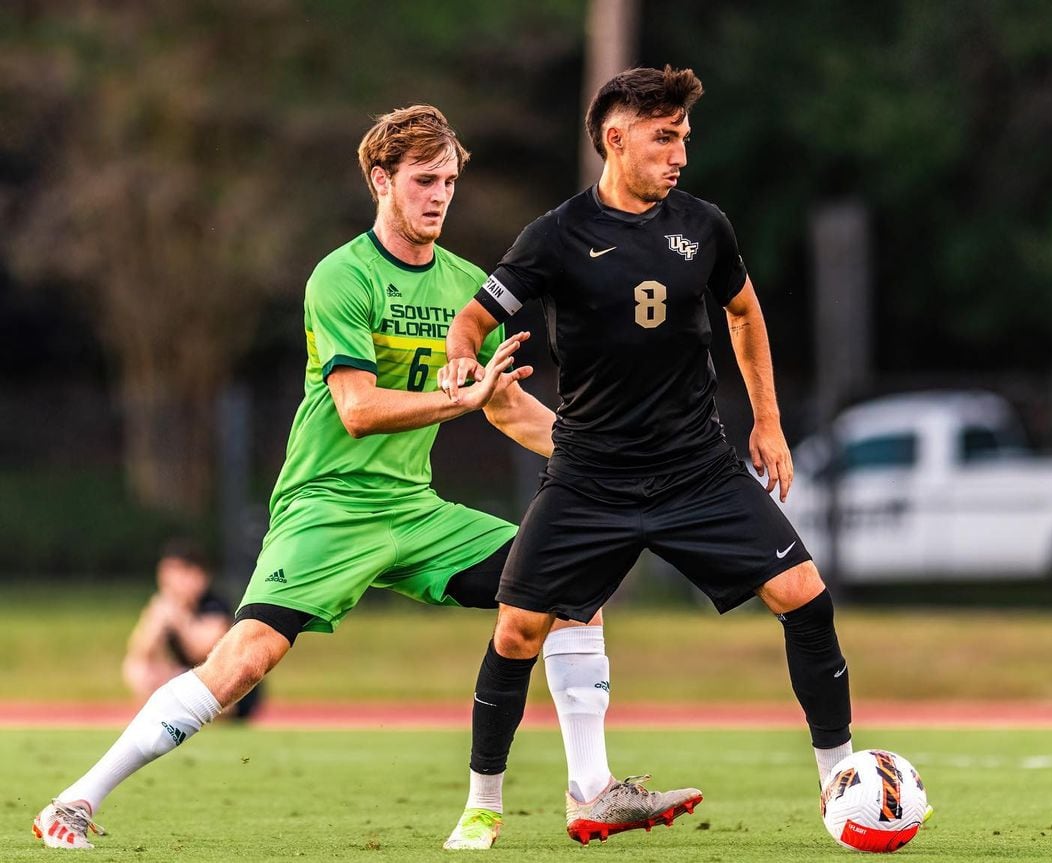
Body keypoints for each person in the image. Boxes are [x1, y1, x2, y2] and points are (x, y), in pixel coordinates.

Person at [32, 105, 693, 852]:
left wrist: (624, 459)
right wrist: (458, 397)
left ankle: (592, 791)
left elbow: (511, 412)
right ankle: (75, 800)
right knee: (242, 661)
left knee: (574, 587)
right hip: (327, 507)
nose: (438, 195)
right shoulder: (341, 276)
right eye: (421, 180)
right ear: (381, 180)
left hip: (415, 511)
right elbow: (355, 408)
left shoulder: (468, 287)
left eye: (448, 181)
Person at [440, 65, 854, 845]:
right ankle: (483, 801)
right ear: (615, 137)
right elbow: (470, 319)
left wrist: (767, 421)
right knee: (517, 631)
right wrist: (465, 359)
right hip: (590, 475)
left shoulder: (704, 226)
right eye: (665, 138)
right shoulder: (556, 235)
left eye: (685, 139)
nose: (680, 156)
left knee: (805, 594)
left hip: (696, 468)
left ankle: (842, 779)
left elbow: (744, 311)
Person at [122, 539, 261, 720]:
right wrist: (155, 622)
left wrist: (180, 619)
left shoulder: (214, 604)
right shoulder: (166, 606)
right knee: (138, 668)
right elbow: (141, 653)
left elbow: (202, 650)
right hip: (188, 676)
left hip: (228, 690)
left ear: (197, 575)